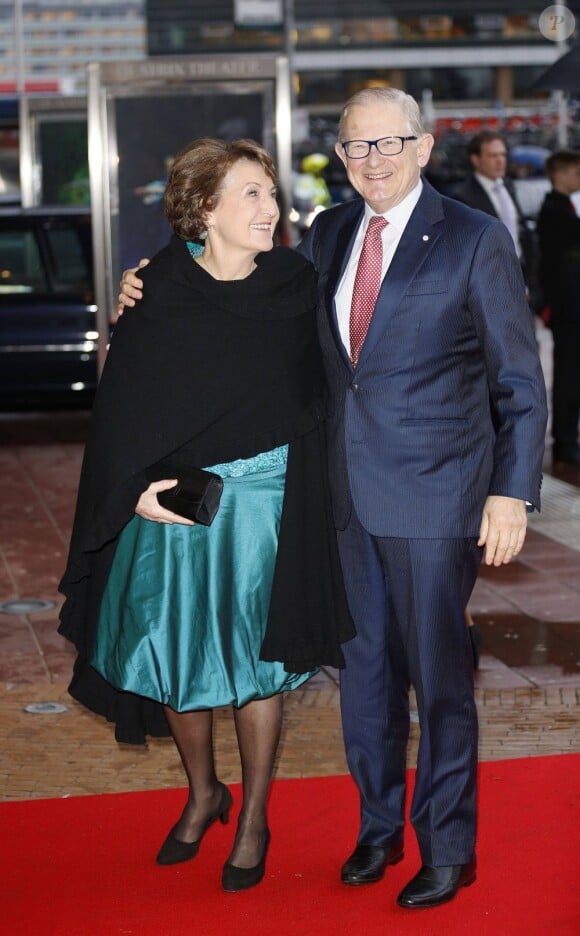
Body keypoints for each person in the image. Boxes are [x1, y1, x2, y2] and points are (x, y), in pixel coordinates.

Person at [118, 89, 547, 911]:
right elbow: (237, 288)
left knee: (440, 680)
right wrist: (151, 278)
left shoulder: (474, 239)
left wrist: (510, 491)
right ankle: (379, 829)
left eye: (390, 143)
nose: (373, 160)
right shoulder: (326, 234)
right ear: (341, 158)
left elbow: (520, 383)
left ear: (424, 147)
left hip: (433, 503)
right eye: (357, 147)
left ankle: (449, 849)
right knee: (365, 680)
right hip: (339, 502)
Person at [59, 138, 353, 893]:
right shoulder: (156, 287)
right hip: (177, 505)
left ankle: (252, 816)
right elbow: (122, 405)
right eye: (251, 194)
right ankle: (203, 793)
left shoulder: (296, 279)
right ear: (205, 210)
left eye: (271, 192)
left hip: (267, 504)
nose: (272, 208)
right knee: (176, 655)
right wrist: (132, 494)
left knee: (259, 665)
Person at [453, 130, 539, 308]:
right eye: (493, 155)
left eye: (503, 155)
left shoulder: (508, 186)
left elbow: (519, 229)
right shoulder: (463, 196)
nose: (500, 161)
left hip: (520, 276)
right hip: (489, 284)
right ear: (476, 160)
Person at [536, 149, 580, 465]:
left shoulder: (562, 208)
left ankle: (567, 438)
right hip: (567, 310)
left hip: (568, 308)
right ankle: (565, 441)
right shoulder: (554, 212)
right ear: (559, 174)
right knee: (568, 376)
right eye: (575, 172)